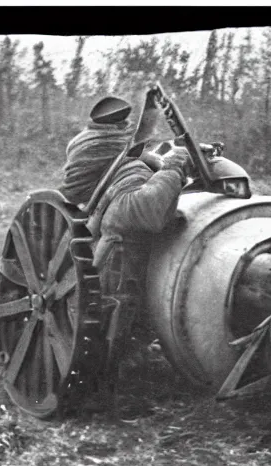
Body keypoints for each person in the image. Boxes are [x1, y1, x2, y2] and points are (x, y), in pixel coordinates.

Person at [59, 95, 192, 416]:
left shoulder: (103, 159)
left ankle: (101, 390)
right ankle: (99, 403)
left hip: (108, 255)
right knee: (111, 325)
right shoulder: (126, 175)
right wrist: (172, 169)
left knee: (111, 326)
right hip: (116, 263)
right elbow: (145, 211)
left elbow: (138, 144)